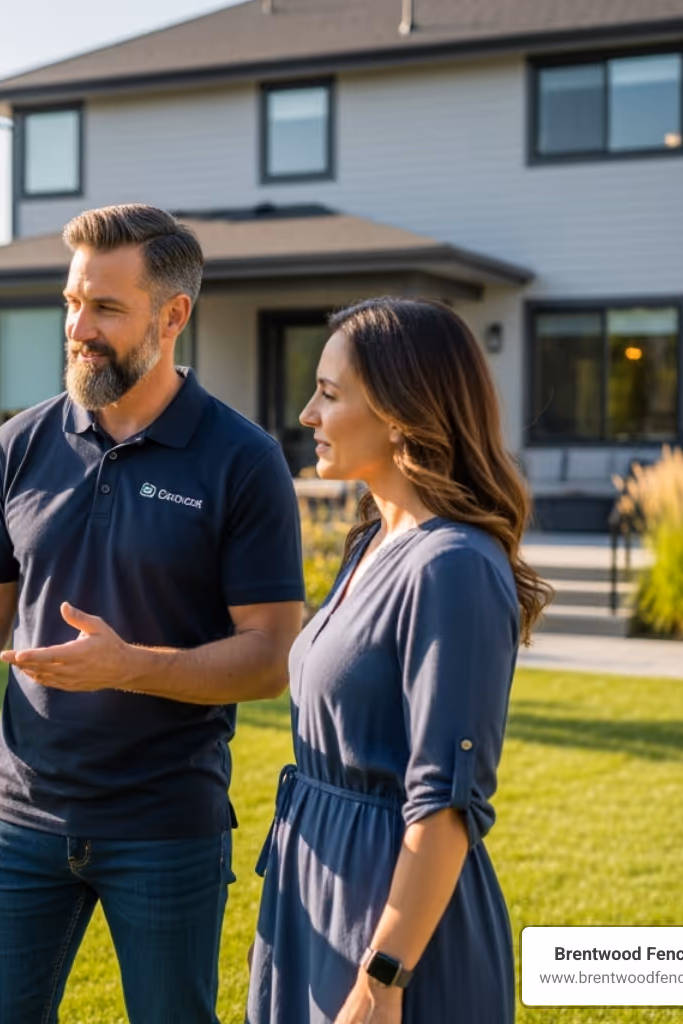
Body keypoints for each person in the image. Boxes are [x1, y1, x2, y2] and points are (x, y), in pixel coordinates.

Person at [0, 203, 305, 1024]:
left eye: (105, 308)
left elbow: (271, 657)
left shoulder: (242, 460)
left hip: (165, 823)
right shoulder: (21, 444)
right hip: (20, 814)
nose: (78, 328)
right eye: (71, 302)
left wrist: (129, 667)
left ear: (172, 316)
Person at [247, 297, 551, 1024]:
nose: (307, 415)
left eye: (329, 393)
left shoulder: (453, 565)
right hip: (315, 887)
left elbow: (445, 803)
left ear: (398, 413)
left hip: (390, 923)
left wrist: (382, 977)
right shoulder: (371, 542)